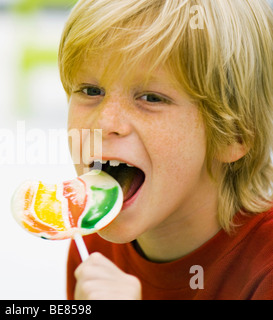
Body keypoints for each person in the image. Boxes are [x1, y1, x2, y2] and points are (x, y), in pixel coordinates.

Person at [58, 0, 273, 299]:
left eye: (150, 97)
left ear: (233, 134)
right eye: (91, 91)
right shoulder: (93, 250)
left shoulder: (265, 269)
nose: (106, 122)